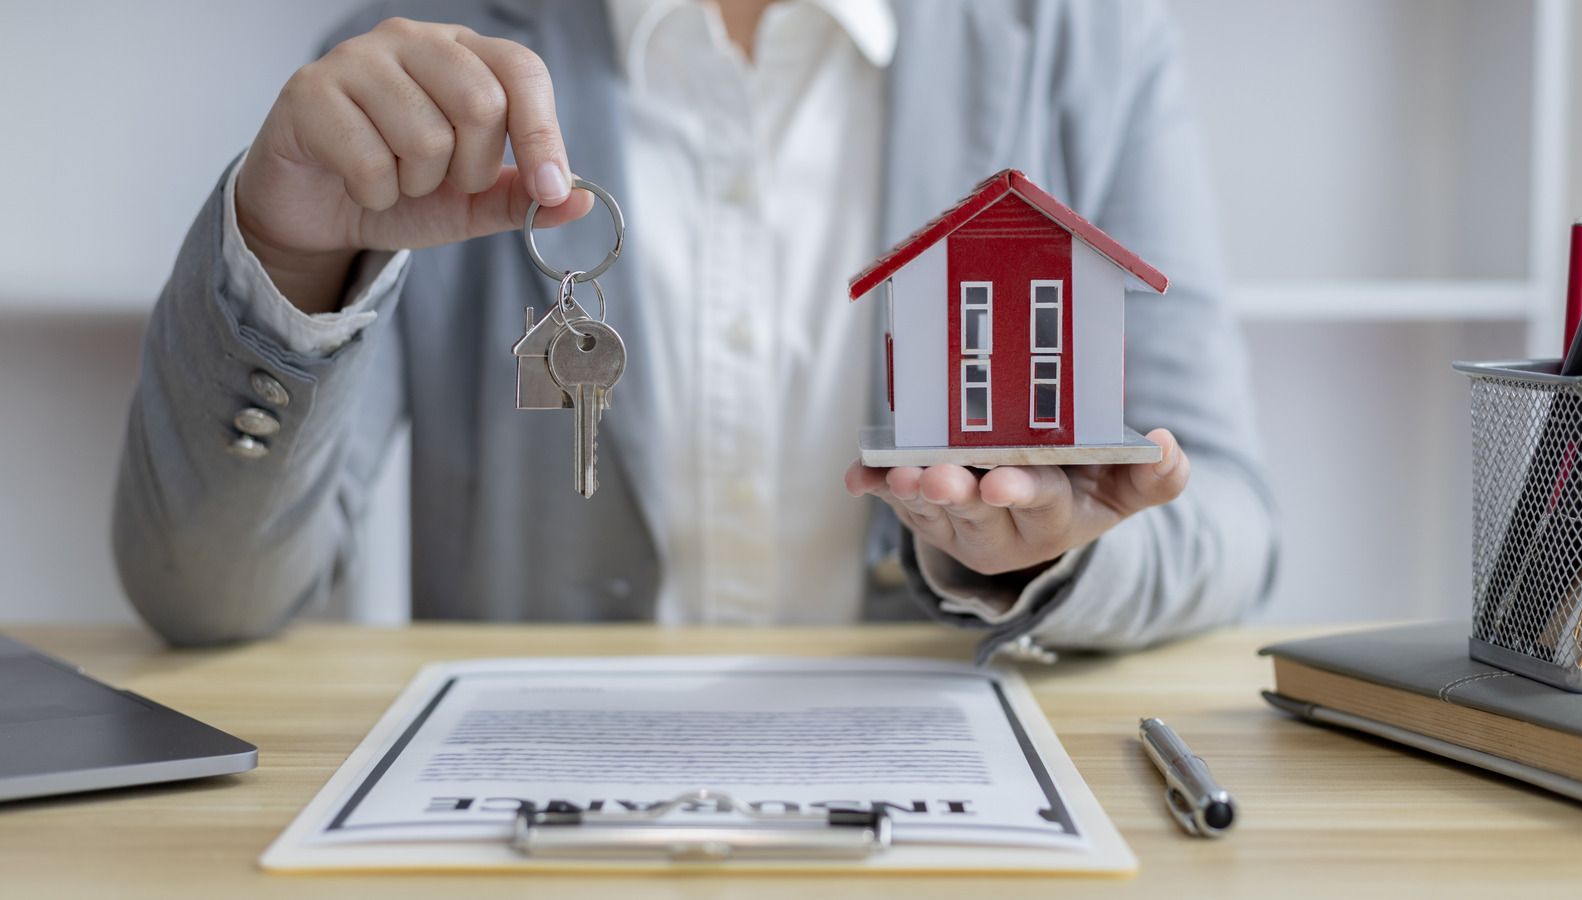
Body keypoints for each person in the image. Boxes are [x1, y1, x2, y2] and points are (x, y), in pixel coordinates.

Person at [113, 0, 1276, 661]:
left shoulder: (1083, 39)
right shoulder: (421, 60)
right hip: (540, 820)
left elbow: (1227, 516)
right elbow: (206, 597)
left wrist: (1055, 546)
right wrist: (289, 251)